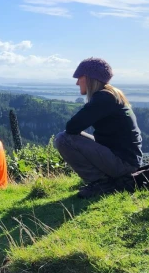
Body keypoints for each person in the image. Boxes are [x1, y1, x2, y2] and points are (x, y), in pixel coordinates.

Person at [54, 57, 143, 198]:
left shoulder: (103, 98)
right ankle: (106, 181)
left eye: (79, 77)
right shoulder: (111, 94)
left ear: (89, 78)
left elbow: (72, 127)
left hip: (123, 164)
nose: (77, 82)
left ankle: (101, 183)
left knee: (63, 139)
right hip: (128, 161)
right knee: (67, 137)